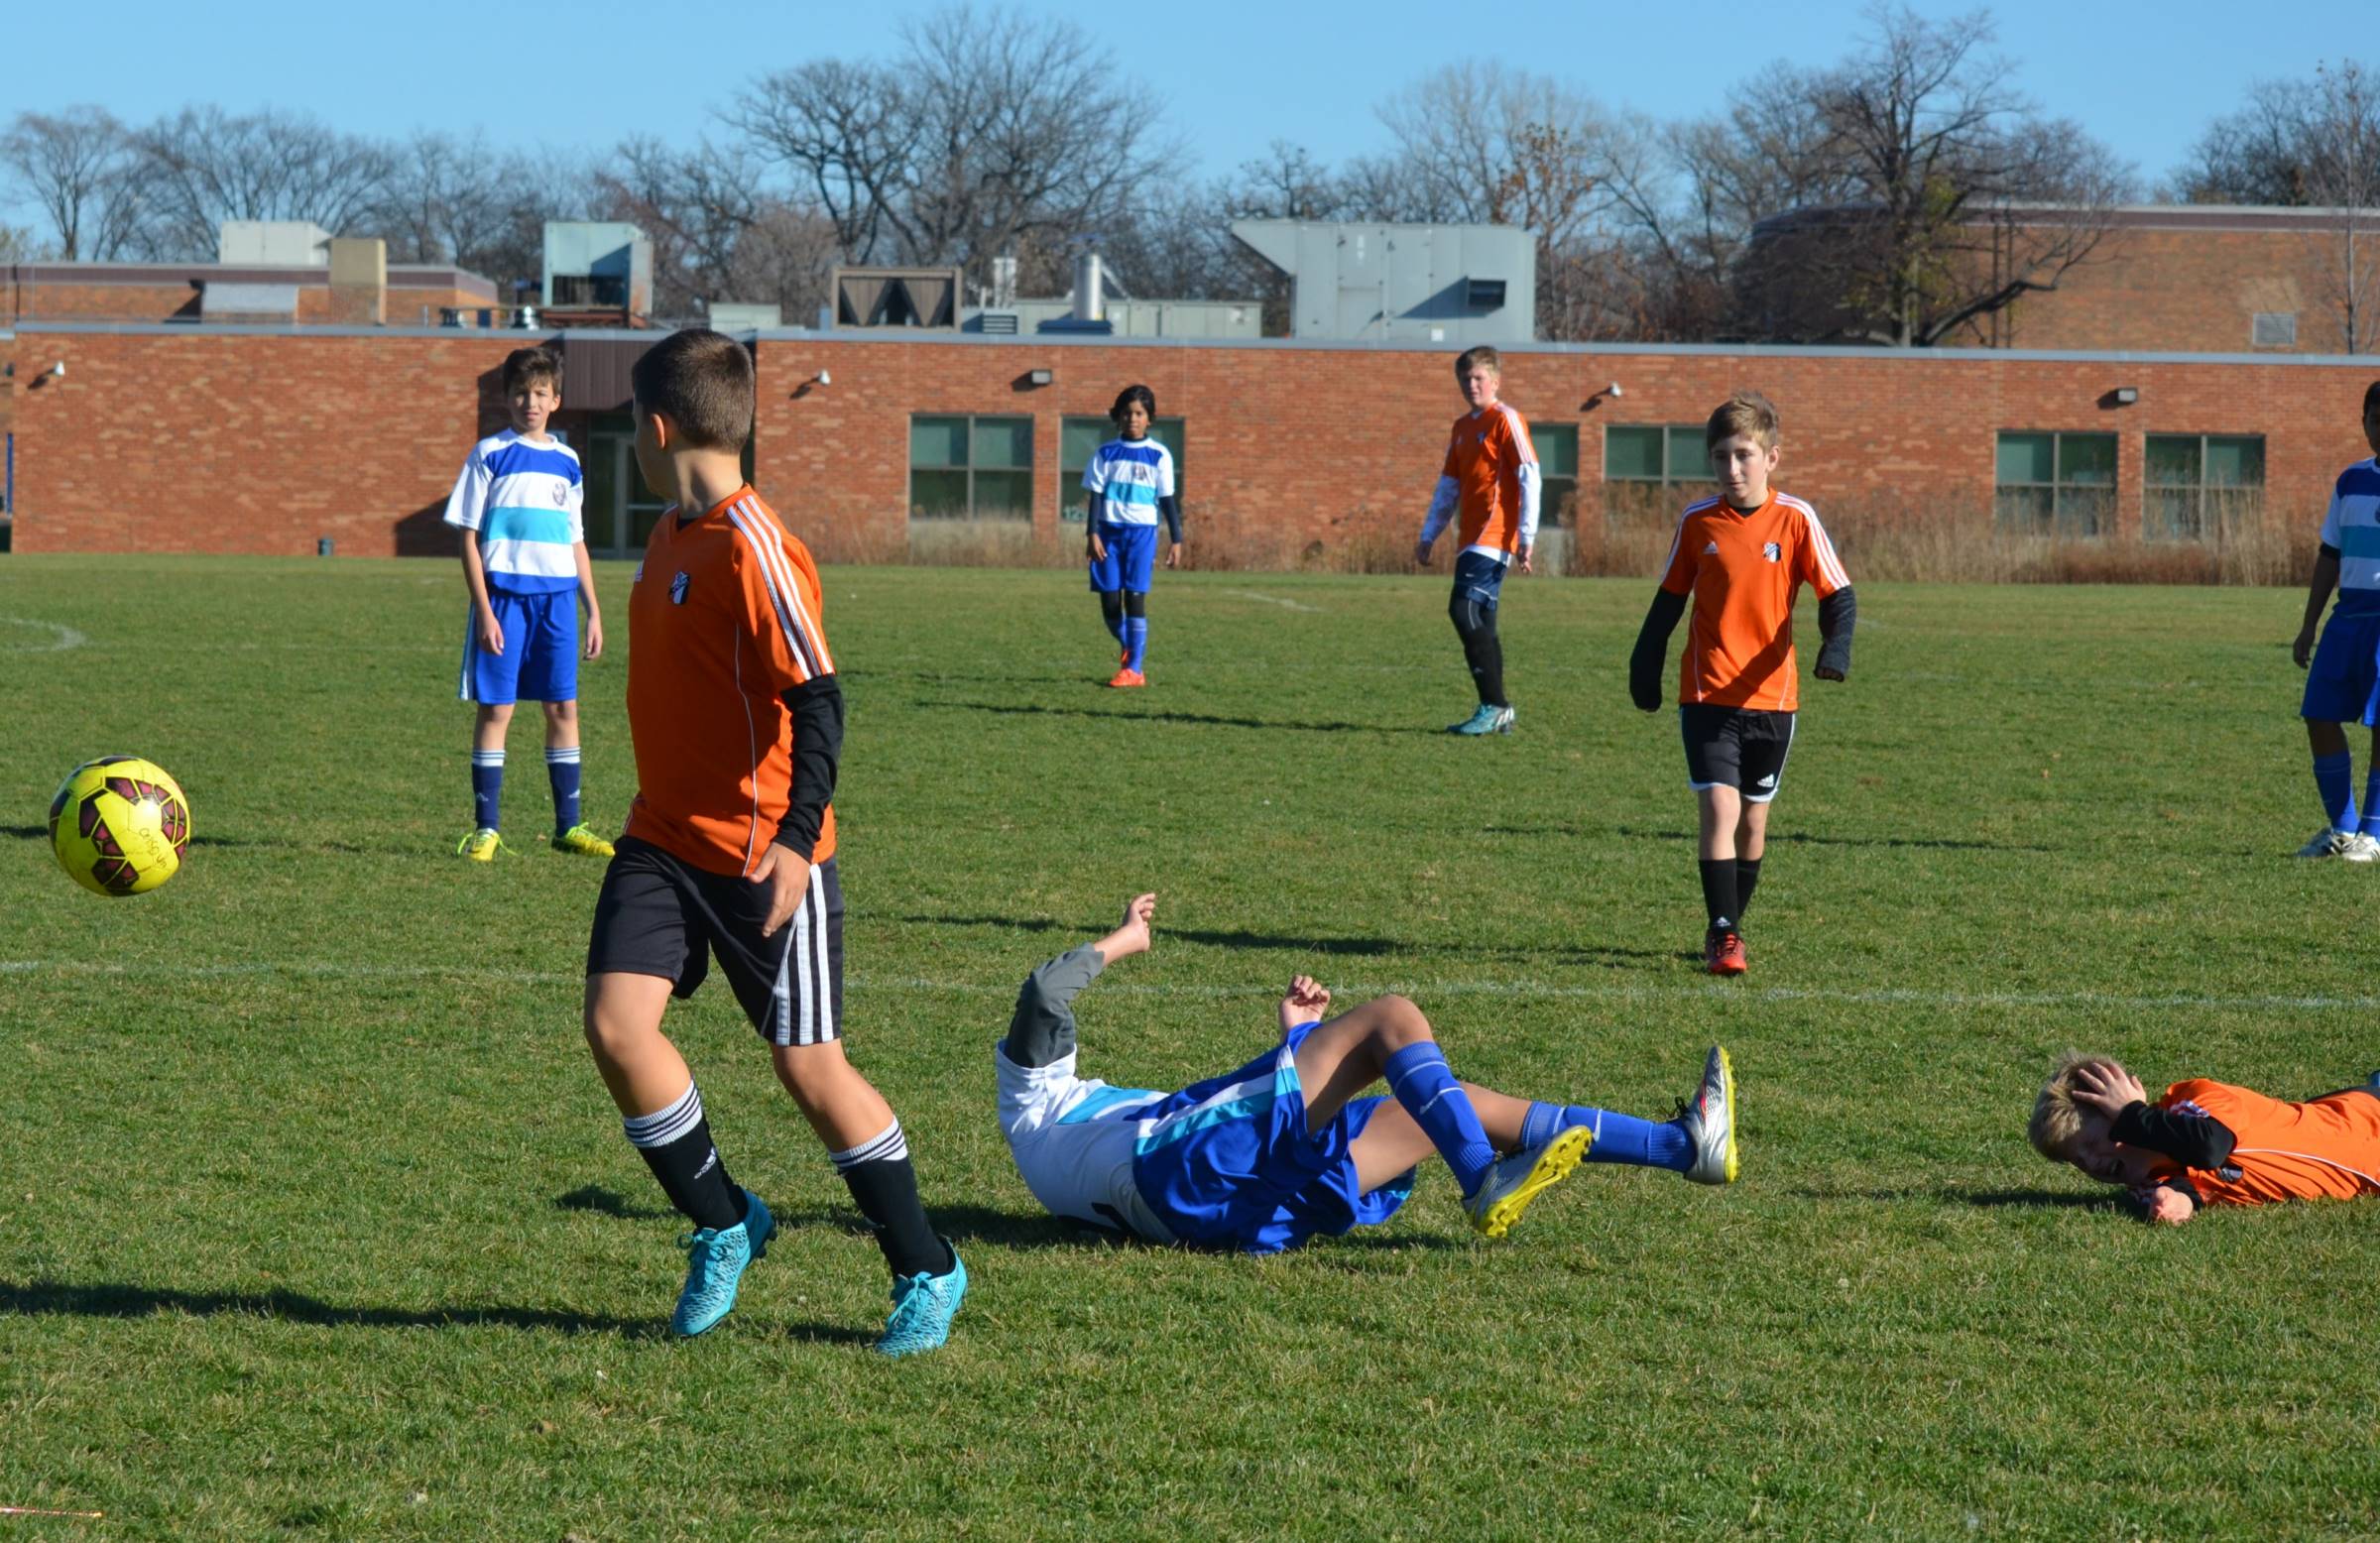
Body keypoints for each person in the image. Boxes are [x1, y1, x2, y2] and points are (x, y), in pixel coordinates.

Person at [580, 328, 964, 1354]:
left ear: (660, 428)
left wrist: (797, 839)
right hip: (661, 839)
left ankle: (926, 1264)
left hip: (762, 856)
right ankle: (724, 1222)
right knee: (618, 1029)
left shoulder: (756, 546)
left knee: (811, 1068)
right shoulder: (670, 535)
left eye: (633, 424)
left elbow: (822, 700)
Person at [995, 892, 1738, 1253]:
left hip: (1218, 1212)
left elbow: (1244, 1127)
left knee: (1450, 1106)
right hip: (1179, 1174)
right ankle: (1482, 1180)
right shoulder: (1035, 1107)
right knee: (1392, 1020)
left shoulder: (1063, 1138)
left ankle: (1683, 1147)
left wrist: (1301, 1037)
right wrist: (1127, 939)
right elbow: (1045, 994)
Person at [1629, 391, 1854, 977]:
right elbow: (1668, 602)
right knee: (1719, 807)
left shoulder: (1796, 519)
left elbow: (1838, 595)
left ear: (1771, 457)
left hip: (1773, 698)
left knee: (1754, 820)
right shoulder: (1697, 521)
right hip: (1707, 692)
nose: (1731, 468)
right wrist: (1644, 665)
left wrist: (1836, 648)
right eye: (1721, 457)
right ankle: (1723, 931)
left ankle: (1730, 925)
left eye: (1743, 455)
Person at [442, 345, 612, 861]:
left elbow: (575, 540)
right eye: (521, 393)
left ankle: (569, 826)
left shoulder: (568, 462)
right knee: (498, 709)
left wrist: (593, 609)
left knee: (562, 707)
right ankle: (486, 829)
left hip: (558, 602)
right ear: (507, 398)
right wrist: (485, 611)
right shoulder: (488, 454)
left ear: (556, 400)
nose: (530, 402)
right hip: (504, 601)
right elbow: (468, 538)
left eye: (540, 393)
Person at [2028, 1053, 2380, 1225]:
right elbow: (2189, 1188)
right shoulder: (2147, 1183)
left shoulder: (2194, 1100)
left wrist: (2133, 1114)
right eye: (2078, 1161)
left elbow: (2209, 1147)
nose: (2091, 1163)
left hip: (2369, 1114)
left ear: (2120, 1112)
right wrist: (2179, 1203)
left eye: (2091, 1145)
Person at [1416, 346, 1539, 735]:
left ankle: (1495, 704)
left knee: (1462, 608)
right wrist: (1429, 534)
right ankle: (1498, 709)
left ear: (1495, 381)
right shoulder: (1461, 428)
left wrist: (1527, 534)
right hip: (1470, 538)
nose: (1472, 385)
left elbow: (1530, 475)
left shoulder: (1506, 419)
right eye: (1465, 378)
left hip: (1494, 533)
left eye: (1479, 378)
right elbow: (1448, 487)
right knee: (1482, 619)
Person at [2290, 381, 2380, 860]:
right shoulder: (2349, 481)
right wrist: (2309, 624)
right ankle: (2342, 830)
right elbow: (2330, 554)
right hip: (2348, 619)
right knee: (2319, 713)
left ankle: (2374, 834)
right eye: (2376, 420)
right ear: (2364, 424)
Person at [1083, 385, 1183, 688]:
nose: (1133, 419)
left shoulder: (1159, 455)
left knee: (1135, 598)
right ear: (1118, 416)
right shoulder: (1105, 453)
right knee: (1111, 604)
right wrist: (1092, 533)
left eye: (1139, 413)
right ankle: (1130, 646)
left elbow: (1167, 501)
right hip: (1108, 534)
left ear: (1149, 418)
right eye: (1127, 413)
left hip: (1142, 535)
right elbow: (1095, 496)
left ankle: (1134, 669)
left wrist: (1176, 539)